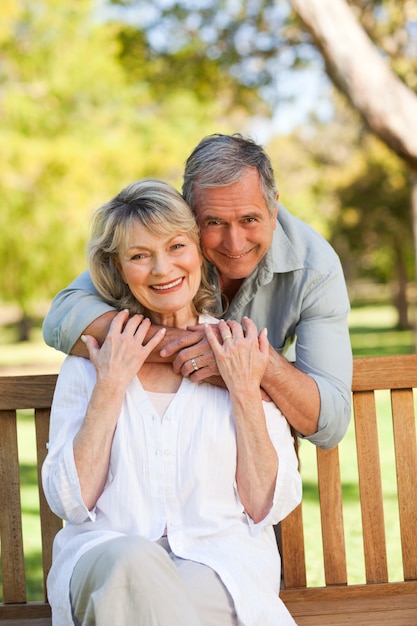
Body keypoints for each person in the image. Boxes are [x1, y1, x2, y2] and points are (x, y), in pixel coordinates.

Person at [42, 179, 302, 626]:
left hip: (218, 562)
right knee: (132, 566)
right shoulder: (90, 361)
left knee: (156, 605)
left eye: (176, 246)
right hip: (107, 557)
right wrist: (111, 384)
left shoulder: (238, 352)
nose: (163, 269)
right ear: (119, 269)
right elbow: (69, 500)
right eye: (140, 256)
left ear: (199, 252)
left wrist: (242, 390)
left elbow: (268, 506)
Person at [42, 133, 353, 449]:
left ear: (273, 211)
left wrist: (248, 360)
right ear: (188, 214)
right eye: (214, 222)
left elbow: (331, 422)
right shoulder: (169, 250)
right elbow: (62, 319)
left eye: (249, 219)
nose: (234, 243)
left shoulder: (315, 268)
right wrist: (196, 346)